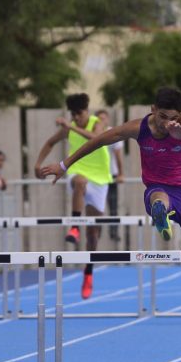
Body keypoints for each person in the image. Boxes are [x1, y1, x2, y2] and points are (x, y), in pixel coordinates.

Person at [40, 87, 181, 290]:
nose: (166, 123)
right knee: (159, 198)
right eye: (162, 116)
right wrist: (64, 165)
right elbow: (99, 140)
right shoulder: (139, 128)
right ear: (153, 109)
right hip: (158, 188)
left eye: (172, 117)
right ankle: (160, 214)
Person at [34, 93, 112, 299]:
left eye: (80, 113)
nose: (77, 117)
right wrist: (37, 163)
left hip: (100, 180)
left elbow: (95, 138)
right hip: (78, 174)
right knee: (79, 182)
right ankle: (75, 226)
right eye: (74, 115)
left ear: (87, 111)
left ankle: (88, 273)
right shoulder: (69, 129)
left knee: (94, 235)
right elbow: (50, 143)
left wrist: (69, 127)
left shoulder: (98, 122)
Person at [95, 110, 125, 242]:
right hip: (95, 176)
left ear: (107, 120)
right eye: (99, 119)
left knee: (113, 205)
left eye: (103, 118)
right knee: (96, 206)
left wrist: (121, 173)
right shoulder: (92, 134)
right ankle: (96, 232)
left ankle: (113, 231)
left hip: (110, 174)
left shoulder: (112, 133)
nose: (101, 121)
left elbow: (118, 154)